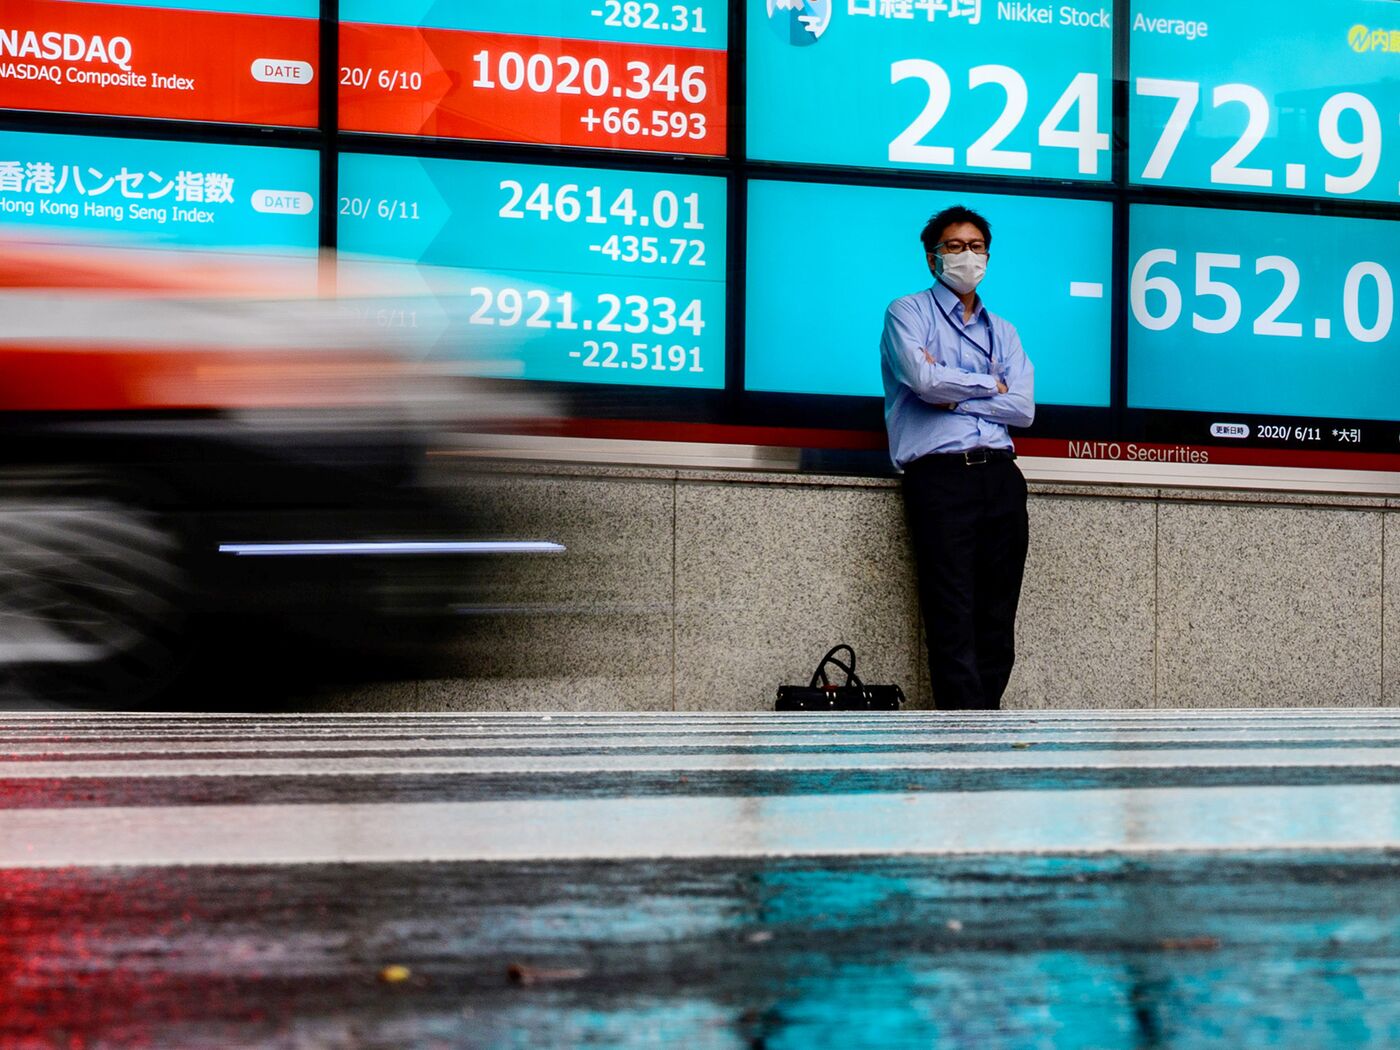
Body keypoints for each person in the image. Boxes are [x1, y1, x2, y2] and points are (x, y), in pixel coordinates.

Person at [879, 205, 1035, 710]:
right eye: (954, 246)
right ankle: (963, 731)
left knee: (997, 610)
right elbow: (923, 383)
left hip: (1002, 478)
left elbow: (1024, 408)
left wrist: (955, 388)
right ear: (932, 259)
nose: (967, 256)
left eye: (976, 246)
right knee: (951, 609)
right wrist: (992, 384)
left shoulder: (1004, 331)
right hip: (940, 477)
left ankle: (984, 721)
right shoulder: (908, 313)